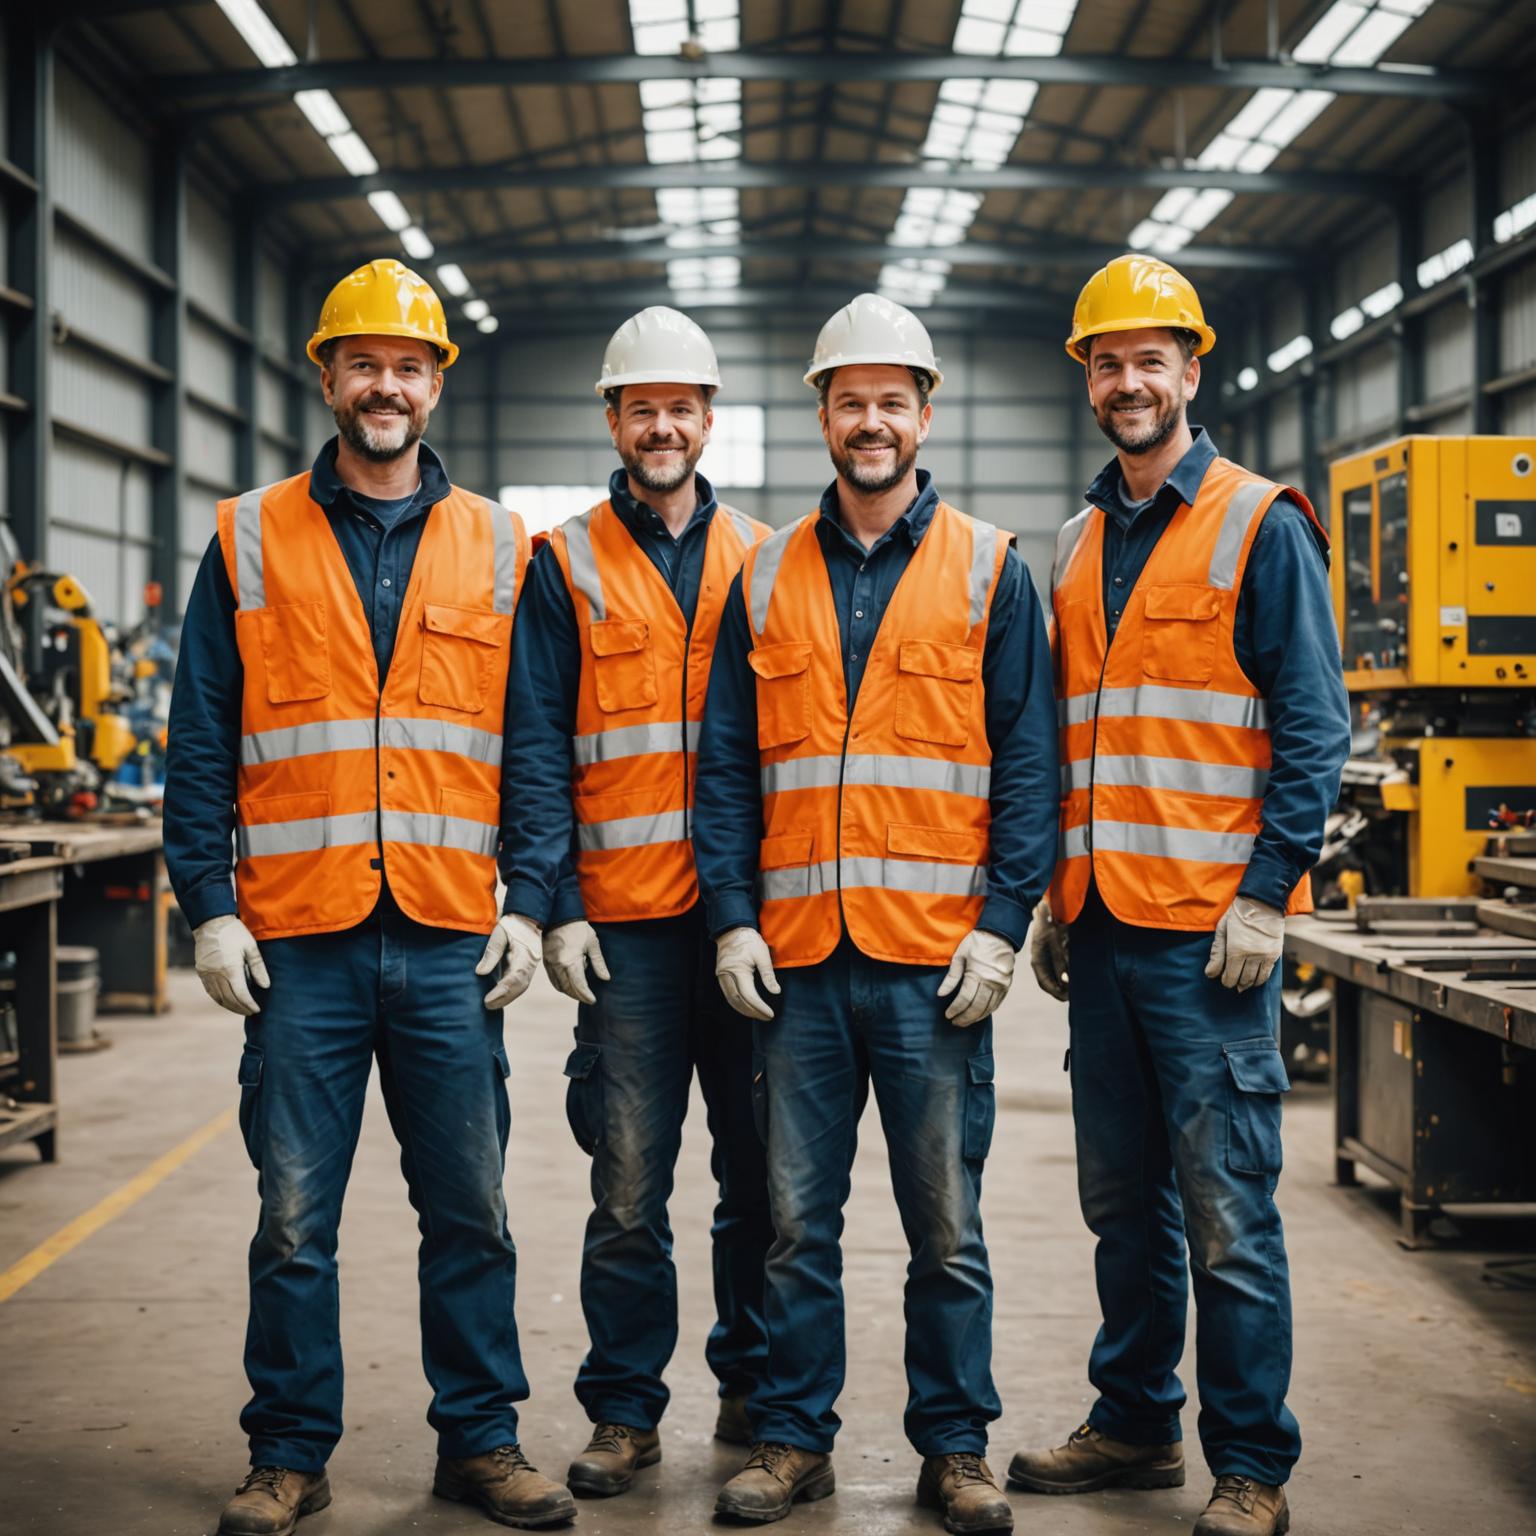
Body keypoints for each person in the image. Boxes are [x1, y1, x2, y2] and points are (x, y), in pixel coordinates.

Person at [164, 259, 573, 1536]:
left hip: (453, 937)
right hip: (303, 945)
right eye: (364, 363)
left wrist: (530, 898)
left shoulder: (507, 547)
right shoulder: (246, 536)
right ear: (328, 376)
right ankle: (287, 1452)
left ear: (436, 382)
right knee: (295, 1220)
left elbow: (537, 748)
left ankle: (481, 1443)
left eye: (409, 365)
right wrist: (206, 903)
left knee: (471, 1213)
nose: (386, 384)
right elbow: (199, 740)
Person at [693, 293, 1059, 1532]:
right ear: (821, 413)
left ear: (924, 412)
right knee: (798, 1227)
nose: (870, 421)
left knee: (945, 1229)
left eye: (891, 400)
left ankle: (955, 1449)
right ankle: (793, 1440)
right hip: (797, 964)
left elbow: (1028, 764)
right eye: (848, 400)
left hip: (930, 964)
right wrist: (734, 915)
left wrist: (1005, 925)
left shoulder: (992, 569)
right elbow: (729, 770)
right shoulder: (764, 574)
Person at [1011, 253, 1350, 1536]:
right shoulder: (1081, 537)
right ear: (1089, 382)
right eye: (1109, 361)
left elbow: (1314, 726)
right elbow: (1077, 737)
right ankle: (1138, 1423)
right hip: (1102, 934)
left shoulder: (1261, 521)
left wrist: (1268, 893)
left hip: (1212, 945)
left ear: (1191, 373)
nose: (1130, 380)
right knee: (1124, 1204)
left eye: (1153, 359)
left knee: (1228, 1213)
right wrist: (1055, 893)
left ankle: (1251, 1461)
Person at [501, 307, 775, 1498]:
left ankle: (759, 1390)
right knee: (627, 1186)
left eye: (682, 406)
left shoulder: (768, 560)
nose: (662, 426)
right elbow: (535, 746)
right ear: (613, 420)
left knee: (761, 1179)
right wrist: (551, 900)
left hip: (747, 929)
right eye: (640, 407)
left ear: (710, 420)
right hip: (619, 931)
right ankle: (624, 1410)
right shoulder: (558, 563)